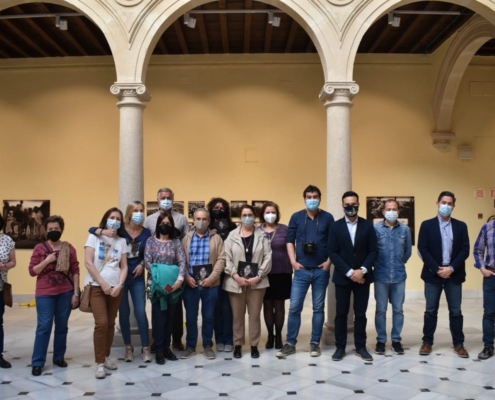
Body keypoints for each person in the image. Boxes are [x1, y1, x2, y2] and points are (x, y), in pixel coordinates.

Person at [89, 201, 151, 363]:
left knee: (140, 312)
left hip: (137, 278)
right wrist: (101, 229)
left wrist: (142, 265)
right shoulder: (121, 231)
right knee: (123, 313)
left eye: (141, 210)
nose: (139, 213)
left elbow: (149, 253)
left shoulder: (147, 233)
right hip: (120, 279)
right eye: (136, 210)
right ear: (129, 213)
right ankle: (128, 347)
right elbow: (92, 230)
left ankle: (145, 347)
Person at [277, 185, 333, 358]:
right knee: (294, 308)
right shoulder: (296, 217)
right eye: (309, 196)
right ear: (304, 199)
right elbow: (289, 241)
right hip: (301, 270)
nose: (312, 199)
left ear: (320, 198)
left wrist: (328, 263)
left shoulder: (328, 217)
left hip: (320, 270)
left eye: (315, 196)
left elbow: (333, 242)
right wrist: (293, 262)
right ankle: (290, 343)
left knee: (318, 308)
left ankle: (315, 343)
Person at [417, 191, 470, 357]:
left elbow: (465, 250)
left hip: (454, 274)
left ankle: (459, 344)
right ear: (437, 203)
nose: (446, 206)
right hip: (433, 275)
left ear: (454, 206)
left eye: (449, 203)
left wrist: (451, 268)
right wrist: (437, 269)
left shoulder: (461, 226)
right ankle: (427, 342)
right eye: (443, 202)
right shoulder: (427, 225)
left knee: (456, 311)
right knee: (431, 310)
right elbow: (422, 249)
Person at [328, 191, 377, 362]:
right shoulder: (335, 226)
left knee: (361, 313)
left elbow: (373, 251)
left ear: (358, 204)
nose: (351, 207)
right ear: (342, 205)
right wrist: (350, 272)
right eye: (347, 204)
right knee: (341, 313)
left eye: (354, 204)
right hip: (343, 277)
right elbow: (332, 252)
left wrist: (362, 270)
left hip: (363, 277)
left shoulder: (368, 225)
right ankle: (340, 347)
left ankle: (361, 346)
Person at [28, 215, 80, 376]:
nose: (53, 231)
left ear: (61, 230)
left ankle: (58, 357)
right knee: (44, 327)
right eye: (50, 229)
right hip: (45, 294)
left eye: (56, 229)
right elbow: (32, 271)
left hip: (65, 292)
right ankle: (37, 362)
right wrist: (47, 260)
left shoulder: (69, 248)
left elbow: (75, 271)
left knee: (62, 326)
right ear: (45, 230)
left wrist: (76, 294)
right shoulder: (40, 248)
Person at [84, 208, 129, 379]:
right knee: (101, 323)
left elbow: (124, 266)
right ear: (106, 219)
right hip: (97, 287)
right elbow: (88, 263)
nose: (115, 221)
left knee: (110, 323)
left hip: (115, 288)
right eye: (112, 217)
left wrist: (120, 284)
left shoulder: (122, 241)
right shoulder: (94, 237)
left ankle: (107, 356)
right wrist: (102, 283)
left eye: (118, 218)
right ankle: (100, 363)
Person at [224, 204, 272, 359]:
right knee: (237, 316)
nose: (247, 218)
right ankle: (238, 345)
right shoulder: (231, 236)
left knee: (254, 315)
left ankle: (254, 345)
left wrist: (258, 276)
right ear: (240, 217)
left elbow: (268, 257)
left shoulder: (263, 236)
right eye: (244, 215)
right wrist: (236, 276)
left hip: (257, 283)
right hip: (236, 282)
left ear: (255, 216)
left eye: (250, 214)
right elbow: (226, 258)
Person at [144, 187, 189, 351]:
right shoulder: (149, 220)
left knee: (176, 311)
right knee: (155, 310)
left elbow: (186, 243)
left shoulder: (182, 219)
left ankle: (176, 341)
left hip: (175, 279)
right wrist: (158, 275)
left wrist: (180, 277)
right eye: (163, 197)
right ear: (157, 199)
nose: (166, 199)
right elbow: (146, 252)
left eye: (169, 197)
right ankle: (158, 342)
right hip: (152, 280)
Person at [180, 208, 225, 360]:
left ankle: (207, 345)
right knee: (191, 317)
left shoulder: (216, 238)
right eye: (198, 219)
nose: (201, 222)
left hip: (210, 284)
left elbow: (221, 259)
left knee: (209, 316)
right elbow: (181, 261)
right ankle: (190, 346)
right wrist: (186, 276)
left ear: (209, 221)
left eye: (204, 219)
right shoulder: (186, 238)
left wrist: (212, 278)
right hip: (191, 284)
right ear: (193, 220)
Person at [373, 199, 412, 355]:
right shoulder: (375, 229)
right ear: (383, 212)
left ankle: (396, 340)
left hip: (399, 276)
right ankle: (381, 340)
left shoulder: (405, 230)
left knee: (398, 310)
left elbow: (407, 251)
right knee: (380, 310)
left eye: (394, 209)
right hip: (381, 276)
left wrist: (399, 262)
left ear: (398, 211)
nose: (391, 211)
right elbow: (372, 251)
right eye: (388, 209)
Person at [259, 201, 292, 350]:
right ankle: (270, 335)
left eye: (273, 212)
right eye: (267, 212)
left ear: (277, 214)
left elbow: (292, 248)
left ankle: (278, 335)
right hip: (264, 273)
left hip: (282, 271)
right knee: (267, 304)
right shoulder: (257, 230)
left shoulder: (285, 229)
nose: (270, 215)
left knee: (279, 304)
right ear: (262, 214)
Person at [207, 197, 237, 352]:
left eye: (222, 207)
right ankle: (218, 339)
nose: (219, 209)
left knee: (227, 308)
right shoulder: (207, 228)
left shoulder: (233, 229)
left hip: (229, 273)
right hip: (212, 273)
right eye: (215, 207)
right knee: (215, 308)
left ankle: (228, 339)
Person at [474, 215, 495, 360]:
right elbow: (478, 250)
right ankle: (488, 346)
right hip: (491, 276)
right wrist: (482, 268)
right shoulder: (487, 227)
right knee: (489, 313)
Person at [0, 215, 16, 369]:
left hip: (0, 287)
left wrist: (4, 266)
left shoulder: (7, 240)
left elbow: (13, 262)